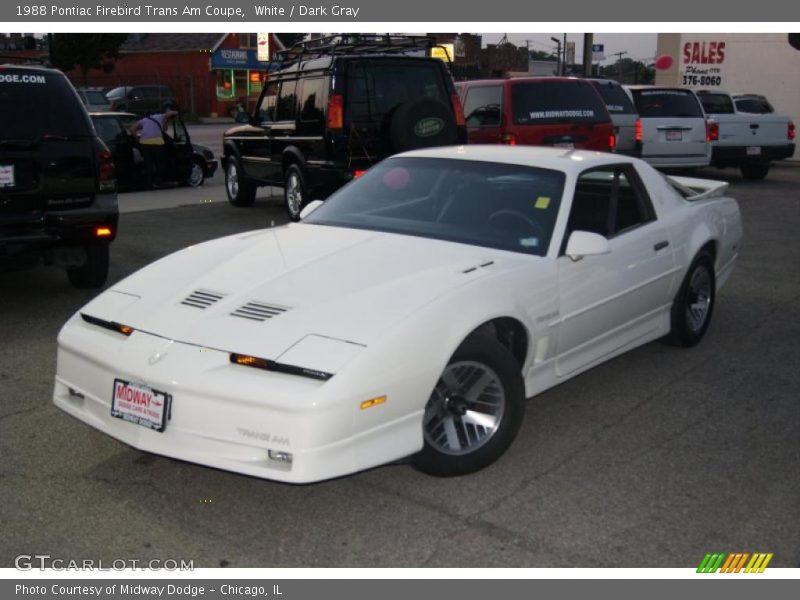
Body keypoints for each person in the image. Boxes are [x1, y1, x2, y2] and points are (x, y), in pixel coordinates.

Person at [128, 103, 179, 189]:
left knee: (148, 164)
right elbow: (173, 113)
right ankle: (158, 182)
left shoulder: (143, 120)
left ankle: (149, 183)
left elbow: (132, 129)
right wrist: (174, 113)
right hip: (157, 144)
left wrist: (138, 140)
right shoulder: (159, 116)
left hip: (144, 144)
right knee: (160, 163)